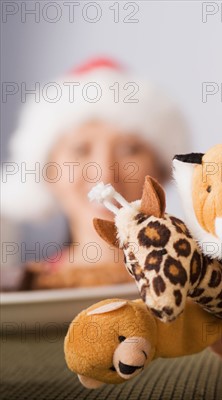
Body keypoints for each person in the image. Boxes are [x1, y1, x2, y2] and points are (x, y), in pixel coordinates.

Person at [1, 58, 189, 289]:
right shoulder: (21, 292)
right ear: (49, 173)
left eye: (129, 149)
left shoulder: (202, 285)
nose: (105, 175)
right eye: (80, 150)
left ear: (160, 171)